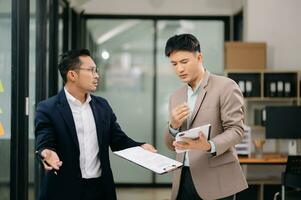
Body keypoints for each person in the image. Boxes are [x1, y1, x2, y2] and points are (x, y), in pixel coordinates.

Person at [35, 49, 156, 200]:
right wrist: (46, 152)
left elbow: (118, 140)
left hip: (99, 190)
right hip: (63, 189)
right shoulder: (48, 108)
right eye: (91, 70)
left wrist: (140, 147)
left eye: (96, 70)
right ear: (72, 75)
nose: (97, 75)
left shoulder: (102, 106)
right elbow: (45, 140)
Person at [164, 34, 248, 200]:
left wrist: (209, 145)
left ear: (199, 57)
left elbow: (237, 130)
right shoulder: (176, 96)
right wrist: (172, 126)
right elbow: (170, 145)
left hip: (217, 179)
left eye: (184, 62)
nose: (179, 69)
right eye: (174, 64)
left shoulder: (226, 86)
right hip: (183, 178)